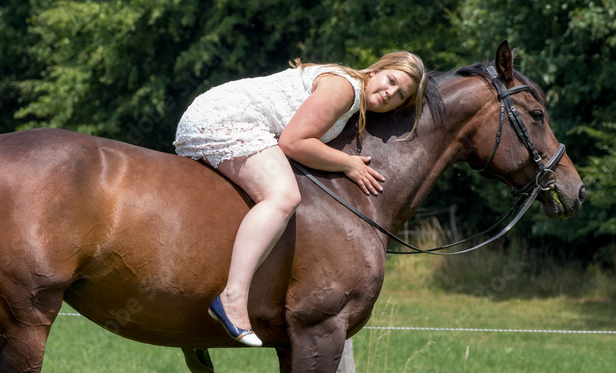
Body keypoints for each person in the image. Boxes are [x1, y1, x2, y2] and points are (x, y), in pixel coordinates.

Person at [174, 51, 428, 346]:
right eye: (391, 81)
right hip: (224, 120)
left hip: (227, 117)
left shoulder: (351, 96)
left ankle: (195, 321)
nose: (390, 93)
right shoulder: (343, 89)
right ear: (375, 72)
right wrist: (348, 163)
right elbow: (293, 143)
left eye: (400, 96)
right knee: (283, 197)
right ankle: (231, 299)